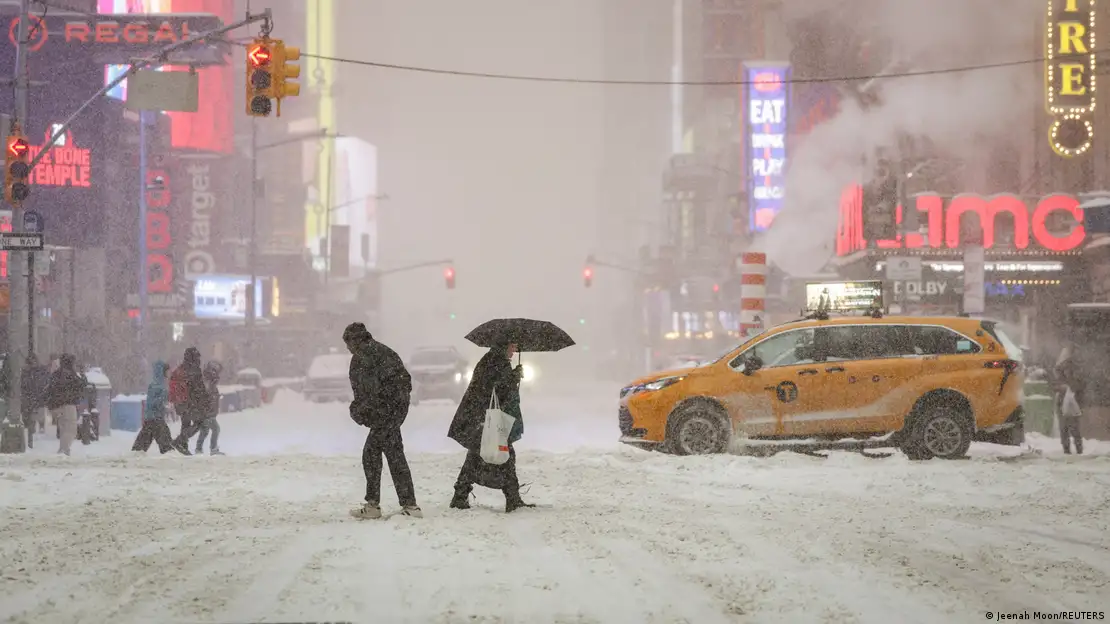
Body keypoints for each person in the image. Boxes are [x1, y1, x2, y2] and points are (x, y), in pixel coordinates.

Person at [343, 322, 422, 519]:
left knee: (377, 455)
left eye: (349, 343)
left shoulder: (374, 356)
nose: (347, 348)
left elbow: (383, 389)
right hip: (386, 414)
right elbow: (365, 392)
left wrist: (371, 409)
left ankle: (399, 506)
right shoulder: (368, 356)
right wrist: (361, 409)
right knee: (385, 456)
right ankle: (401, 504)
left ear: (357, 340)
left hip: (387, 414)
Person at [448, 343, 534, 513]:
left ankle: (460, 495)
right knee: (503, 454)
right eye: (511, 347)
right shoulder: (495, 362)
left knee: (477, 455)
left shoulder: (493, 360)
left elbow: (495, 387)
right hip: (485, 417)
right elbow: (493, 388)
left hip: (483, 417)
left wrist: (512, 376)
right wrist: (513, 377)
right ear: (503, 346)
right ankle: (512, 497)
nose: (513, 350)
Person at [44, 353, 87, 456]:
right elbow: (82, 385)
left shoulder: (56, 374)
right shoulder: (70, 374)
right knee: (71, 430)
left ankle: (63, 449)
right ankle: (64, 450)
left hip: (56, 406)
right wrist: (83, 374)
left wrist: (51, 405)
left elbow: (49, 389)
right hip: (68, 405)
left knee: (63, 429)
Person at [171, 347, 210, 456]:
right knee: (200, 422)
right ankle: (179, 441)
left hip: (180, 402)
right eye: (197, 357)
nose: (199, 359)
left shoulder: (182, 368)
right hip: (189, 403)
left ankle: (183, 447)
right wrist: (206, 400)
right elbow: (198, 389)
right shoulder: (194, 370)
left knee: (186, 423)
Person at [133, 361, 177, 454]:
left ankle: (135, 455)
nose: (169, 373)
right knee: (167, 447)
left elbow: (156, 404)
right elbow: (152, 403)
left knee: (140, 447)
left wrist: (165, 407)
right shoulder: (155, 386)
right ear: (162, 372)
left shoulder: (160, 385)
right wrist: (164, 398)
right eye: (167, 371)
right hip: (155, 419)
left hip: (154, 419)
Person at [1055, 360, 1084, 455]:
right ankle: (1066, 449)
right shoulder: (1060, 380)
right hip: (1062, 409)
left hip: (1072, 409)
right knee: (1064, 431)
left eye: (1068, 369)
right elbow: (1054, 388)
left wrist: (1069, 389)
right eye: (1065, 369)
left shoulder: (1076, 380)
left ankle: (1079, 449)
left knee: (1075, 431)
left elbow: (1079, 391)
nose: (1067, 371)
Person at [19, 353, 49, 448]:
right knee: (29, 417)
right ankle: (31, 433)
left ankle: (36, 430)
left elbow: (44, 382)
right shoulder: (26, 372)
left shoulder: (38, 371)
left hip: (35, 398)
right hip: (30, 398)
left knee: (37, 415)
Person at [196, 361, 224, 455]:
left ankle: (199, 449)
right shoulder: (208, 384)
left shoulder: (209, 383)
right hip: (207, 413)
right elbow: (206, 398)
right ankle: (212, 449)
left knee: (205, 431)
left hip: (207, 412)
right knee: (215, 429)